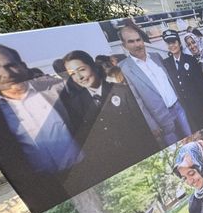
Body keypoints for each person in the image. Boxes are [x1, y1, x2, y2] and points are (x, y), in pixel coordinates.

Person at [0, 43, 81, 213]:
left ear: (22, 66)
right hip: (46, 191)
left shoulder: (56, 89)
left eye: (10, 65)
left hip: (86, 169)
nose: (6, 74)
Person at [61, 50, 158, 186]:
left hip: (140, 155)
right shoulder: (75, 105)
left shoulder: (121, 91)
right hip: (113, 168)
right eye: (72, 74)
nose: (79, 77)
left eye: (81, 70)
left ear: (93, 66)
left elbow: (141, 128)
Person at [117, 24, 191, 146]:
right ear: (124, 46)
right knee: (176, 148)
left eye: (138, 39)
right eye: (131, 41)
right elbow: (137, 101)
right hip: (160, 119)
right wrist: (152, 125)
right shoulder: (124, 68)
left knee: (192, 137)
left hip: (178, 108)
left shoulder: (156, 57)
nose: (137, 44)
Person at [161, 29, 203, 131]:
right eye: (169, 43)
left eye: (174, 42)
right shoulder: (166, 64)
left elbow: (200, 84)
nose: (172, 46)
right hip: (183, 109)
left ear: (179, 43)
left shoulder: (190, 59)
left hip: (197, 105)